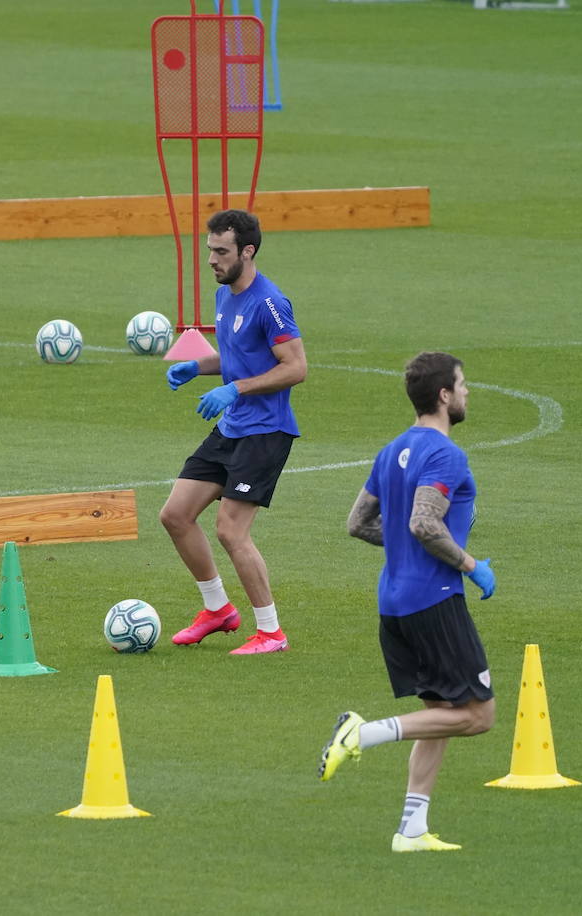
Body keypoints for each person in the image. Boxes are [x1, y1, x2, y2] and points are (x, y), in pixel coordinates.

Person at [318, 350, 498, 853]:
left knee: (439, 710)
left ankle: (412, 829)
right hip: (433, 600)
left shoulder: (391, 449)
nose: (466, 392)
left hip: (393, 602)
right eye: (461, 384)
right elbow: (423, 522)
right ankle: (364, 733)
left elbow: (358, 523)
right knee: (477, 715)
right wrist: (469, 563)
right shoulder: (445, 454)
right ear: (443, 395)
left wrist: (408, 544)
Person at [159, 209, 306, 655]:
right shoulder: (226, 296)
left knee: (231, 531)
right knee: (175, 515)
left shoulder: (270, 303)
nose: (212, 261)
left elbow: (296, 367)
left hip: (265, 431)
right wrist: (199, 367)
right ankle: (218, 610)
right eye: (209, 251)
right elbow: (238, 355)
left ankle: (271, 633)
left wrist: (235, 389)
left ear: (248, 251)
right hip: (233, 426)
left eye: (221, 252)